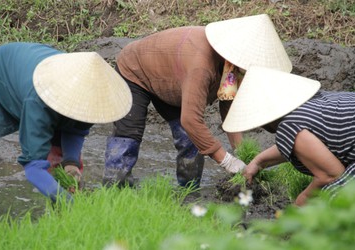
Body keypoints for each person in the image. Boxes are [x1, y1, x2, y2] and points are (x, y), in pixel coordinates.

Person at [103, 14, 292, 187]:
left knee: (190, 140)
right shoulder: (201, 66)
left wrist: (241, 154)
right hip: (135, 71)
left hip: (173, 79)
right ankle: (114, 190)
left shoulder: (231, 65)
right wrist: (226, 160)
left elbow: (229, 109)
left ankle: (189, 192)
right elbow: (191, 120)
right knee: (129, 135)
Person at [0, 42, 132, 216]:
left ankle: (62, 218)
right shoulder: (39, 100)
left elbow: (76, 130)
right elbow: (34, 166)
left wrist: (71, 162)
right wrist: (68, 201)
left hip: (28, 78)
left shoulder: (91, 95)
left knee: (60, 163)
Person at [223, 65, 355, 206]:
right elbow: (303, 144)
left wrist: (295, 210)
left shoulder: (290, 125)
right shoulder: (306, 104)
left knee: (335, 198)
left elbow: (330, 175)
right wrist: (259, 162)